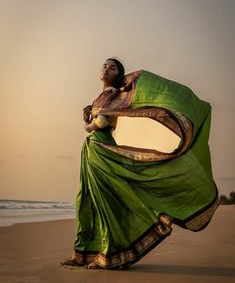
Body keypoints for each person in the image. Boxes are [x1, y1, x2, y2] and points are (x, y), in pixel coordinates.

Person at [61, 58, 219, 270]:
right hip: (94, 151)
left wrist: (87, 126)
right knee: (89, 199)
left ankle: (110, 255)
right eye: (105, 65)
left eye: (113, 67)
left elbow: (102, 123)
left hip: (101, 149)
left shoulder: (111, 95)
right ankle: (83, 254)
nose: (107, 68)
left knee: (103, 201)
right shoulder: (103, 97)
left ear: (119, 74)